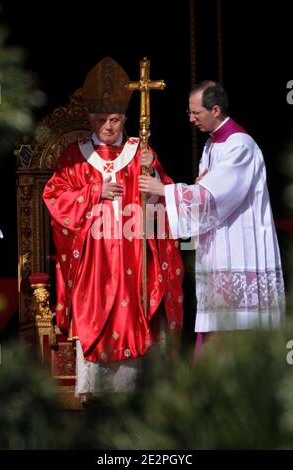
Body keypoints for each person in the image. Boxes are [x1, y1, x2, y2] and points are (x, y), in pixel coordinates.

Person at [43, 57, 184, 402]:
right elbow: (54, 196)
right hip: (94, 259)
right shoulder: (74, 156)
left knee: (135, 308)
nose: (108, 124)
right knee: (96, 313)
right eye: (102, 118)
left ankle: (134, 388)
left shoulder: (141, 152)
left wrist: (154, 177)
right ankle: (93, 388)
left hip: (135, 253)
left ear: (125, 116)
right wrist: (94, 192)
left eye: (116, 118)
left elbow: (163, 200)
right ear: (90, 117)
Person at [139, 80, 285, 357]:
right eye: (189, 113)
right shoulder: (212, 145)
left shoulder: (239, 145)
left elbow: (215, 196)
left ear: (215, 110)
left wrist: (164, 191)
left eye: (196, 113)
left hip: (240, 246)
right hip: (219, 244)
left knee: (234, 327)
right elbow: (203, 192)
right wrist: (170, 184)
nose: (191, 119)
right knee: (217, 322)